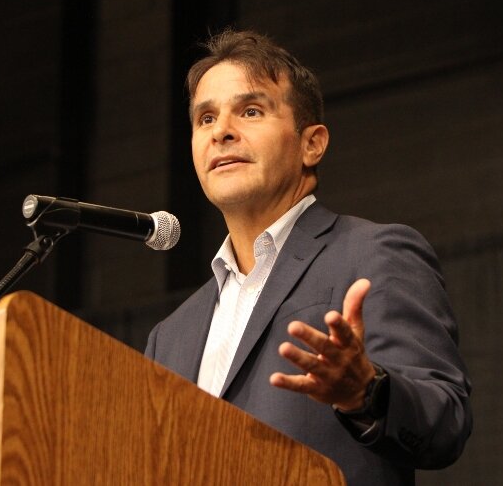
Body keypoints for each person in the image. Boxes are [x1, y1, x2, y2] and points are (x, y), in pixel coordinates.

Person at [145, 28, 472, 485]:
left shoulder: (374, 254)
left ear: (311, 143)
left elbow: (445, 421)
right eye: (205, 119)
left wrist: (365, 391)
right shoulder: (169, 336)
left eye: (251, 110)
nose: (221, 131)